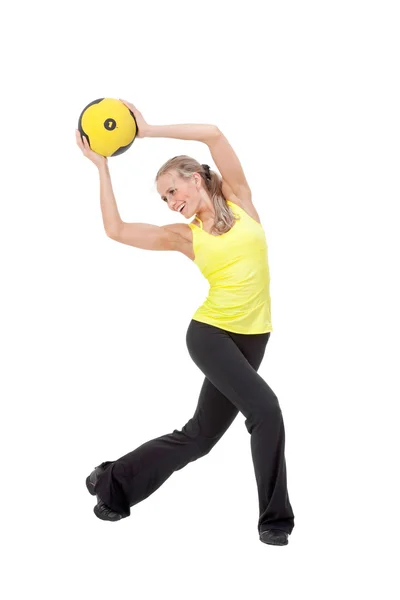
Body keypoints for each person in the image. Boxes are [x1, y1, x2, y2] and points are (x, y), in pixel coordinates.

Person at [75, 99, 295, 546]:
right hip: (210, 334)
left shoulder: (241, 199)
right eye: (163, 199)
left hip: (254, 336)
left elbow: (213, 133)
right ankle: (275, 521)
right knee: (266, 411)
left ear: (195, 179)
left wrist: (147, 129)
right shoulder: (184, 236)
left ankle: (111, 479)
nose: (170, 203)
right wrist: (102, 168)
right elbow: (115, 230)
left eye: (172, 192)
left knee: (198, 438)